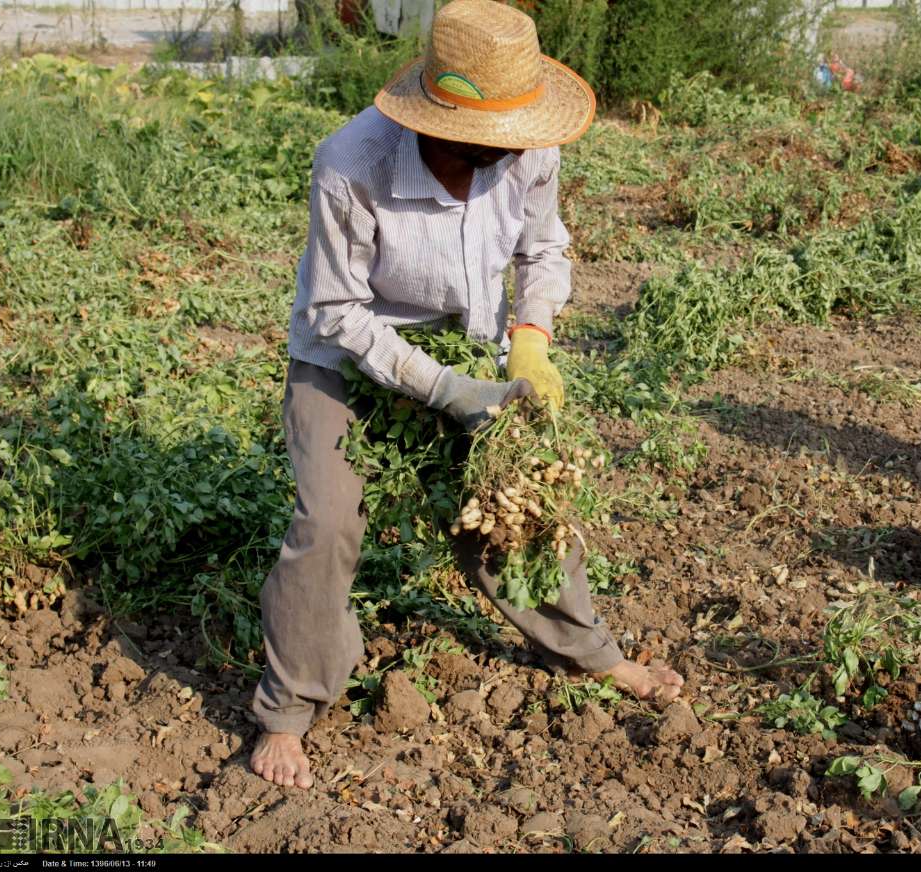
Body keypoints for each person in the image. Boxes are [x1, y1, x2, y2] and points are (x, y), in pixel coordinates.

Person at [248, 0, 684, 790]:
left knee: (517, 502)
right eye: (482, 139)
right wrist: (447, 389)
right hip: (345, 360)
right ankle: (288, 708)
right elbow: (338, 313)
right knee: (329, 520)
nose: (501, 153)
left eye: (511, 138)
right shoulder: (352, 164)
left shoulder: (528, 147)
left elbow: (545, 250)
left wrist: (530, 339)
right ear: (431, 117)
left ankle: (590, 653)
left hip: (474, 346)